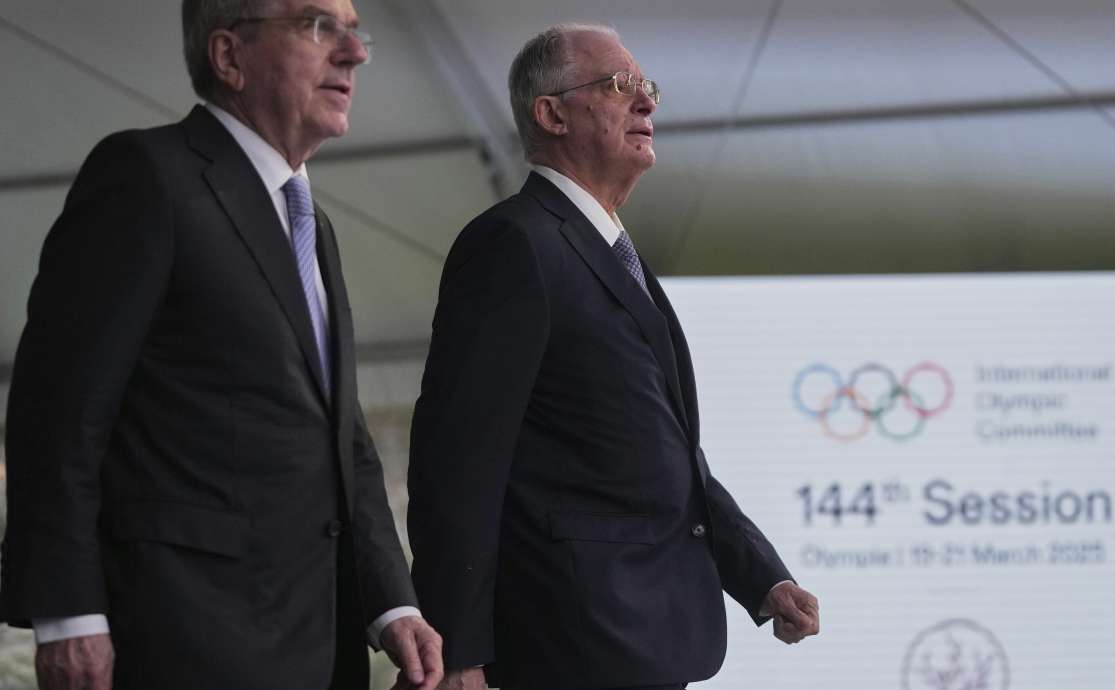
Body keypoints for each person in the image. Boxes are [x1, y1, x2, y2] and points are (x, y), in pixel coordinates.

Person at [0, 1, 443, 688]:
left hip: (321, 643)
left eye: (355, 32)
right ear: (230, 56)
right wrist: (70, 612)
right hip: (187, 636)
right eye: (318, 26)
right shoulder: (145, 176)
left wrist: (393, 603)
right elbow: (57, 407)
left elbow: (341, 437)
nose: (354, 53)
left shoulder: (311, 222)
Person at [406, 23, 820, 690]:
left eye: (646, 86)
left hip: (644, 642)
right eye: (620, 85)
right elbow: (456, 463)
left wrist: (762, 578)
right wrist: (457, 649)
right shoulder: (513, 244)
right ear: (552, 113)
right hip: (571, 643)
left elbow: (666, 456)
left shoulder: (612, 253)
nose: (647, 101)